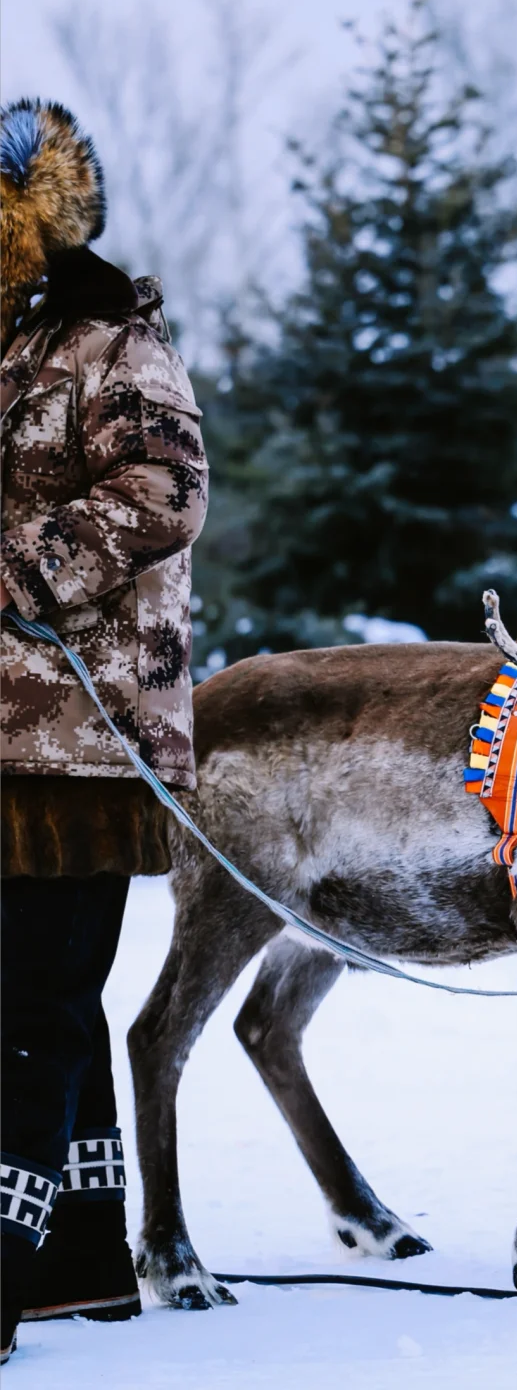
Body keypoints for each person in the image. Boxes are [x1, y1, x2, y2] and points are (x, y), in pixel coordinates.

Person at [0, 99, 208, 1363]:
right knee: (51, 1009)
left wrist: (24, 565)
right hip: (9, 741)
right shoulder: (12, 356)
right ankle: (80, 1263)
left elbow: (165, 491)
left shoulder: (112, 349)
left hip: (82, 739)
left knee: (26, 1007)